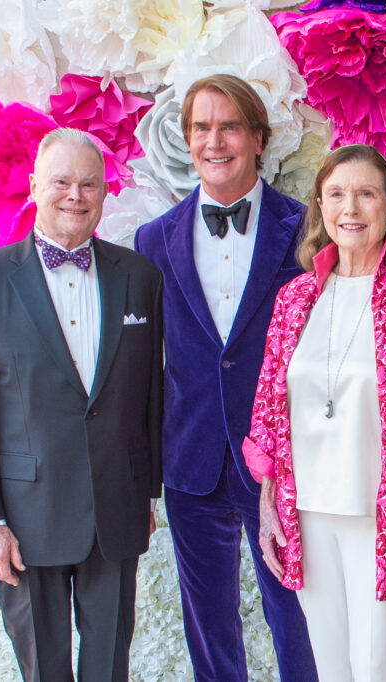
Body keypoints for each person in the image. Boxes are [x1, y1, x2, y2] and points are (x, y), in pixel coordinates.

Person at [242, 144, 386, 682]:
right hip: (307, 513)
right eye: (337, 194)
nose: (351, 208)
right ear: (320, 206)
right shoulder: (295, 299)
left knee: (376, 671)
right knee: (332, 670)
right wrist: (268, 510)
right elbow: (270, 408)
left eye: (366, 194)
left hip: (382, 518)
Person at [0, 128, 163, 681]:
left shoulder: (139, 277)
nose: (76, 194)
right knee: (44, 669)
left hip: (116, 508)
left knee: (108, 664)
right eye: (62, 181)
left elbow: (149, 394)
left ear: (103, 191)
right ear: (34, 188)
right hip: (27, 518)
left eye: (89, 183)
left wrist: (147, 492)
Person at [133, 74, 317, 681]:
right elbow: (144, 361)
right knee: (208, 626)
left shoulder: (306, 227)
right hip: (191, 461)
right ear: (187, 141)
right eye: (201, 127)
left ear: (259, 139)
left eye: (230, 125)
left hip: (283, 464)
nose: (215, 141)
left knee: (296, 620)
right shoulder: (153, 240)